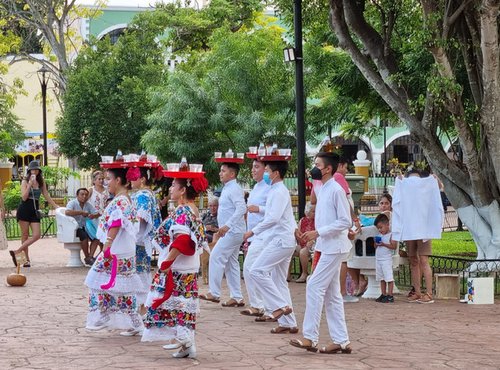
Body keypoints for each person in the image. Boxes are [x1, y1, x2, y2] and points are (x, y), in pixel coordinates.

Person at [142, 170, 208, 359]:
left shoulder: (182, 210)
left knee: (176, 304)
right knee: (183, 304)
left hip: (177, 266)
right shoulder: (193, 209)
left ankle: (184, 339)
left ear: (182, 190)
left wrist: (167, 262)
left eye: (173, 186)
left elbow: (181, 240)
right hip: (188, 265)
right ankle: (187, 345)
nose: (170, 189)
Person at [290, 152, 352, 354]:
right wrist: (313, 234)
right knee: (332, 294)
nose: (314, 168)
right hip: (327, 245)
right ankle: (341, 341)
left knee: (314, 286)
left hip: (334, 247)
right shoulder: (323, 188)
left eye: (317, 164)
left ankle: (310, 337)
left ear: (328, 169)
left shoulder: (336, 190)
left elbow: (345, 221)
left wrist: (318, 232)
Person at [84, 167, 143, 333]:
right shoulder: (124, 199)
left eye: (109, 178)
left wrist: (107, 245)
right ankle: (133, 322)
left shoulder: (120, 201)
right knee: (121, 287)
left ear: (118, 180)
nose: (106, 182)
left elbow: (116, 223)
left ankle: (104, 315)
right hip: (123, 250)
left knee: (97, 280)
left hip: (116, 250)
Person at [244, 160, 298, 334]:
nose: (265, 173)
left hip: (281, 240)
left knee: (257, 270)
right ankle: (289, 323)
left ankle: (280, 306)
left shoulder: (279, 191)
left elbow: (273, 218)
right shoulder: (276, 191)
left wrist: (253, 231)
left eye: (267, 170)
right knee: (278, 280)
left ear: (275, 173)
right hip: (281, 239)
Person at [200, 162, 246, 307]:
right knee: (231, 263)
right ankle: (237, 297)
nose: (220, 173)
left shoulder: (234, 189)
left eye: (223, 171)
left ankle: (214, 292)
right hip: (232, 231)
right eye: (221, 171)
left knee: (216, 256)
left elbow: (241, 208)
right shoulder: (227, 188)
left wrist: (227, 225)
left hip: (233, 231)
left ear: (232, 174)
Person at [126, 166, 162, 329]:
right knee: (141, 275)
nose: (131, 180)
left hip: (138, 241)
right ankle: (140, 316)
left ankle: (140, 317)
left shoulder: (142, 195)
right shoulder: (149, 195)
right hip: (141, 241)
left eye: (133, 177)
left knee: (139, 277)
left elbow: (139, 218)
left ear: (142, 179)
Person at [9, 160, 59, 267]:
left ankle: (17, 251)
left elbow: (46, 195)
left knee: (36, 235)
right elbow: (24, 197)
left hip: (34, 209)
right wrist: (29, 184)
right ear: (29, 170)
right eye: (33, 169)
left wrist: (55, 206)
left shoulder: (41, 181)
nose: (34, 171)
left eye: (36, 169)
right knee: (25, 235)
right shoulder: (24, 181)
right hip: (25, 208)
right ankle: (25, 260)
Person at [240, 159, 270, 317]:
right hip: (253, 235)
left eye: (257, 167)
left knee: (251, 268)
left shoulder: (270, 188)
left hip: (264, 235)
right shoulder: (256, 187)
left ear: (266, 169)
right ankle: (262, 304)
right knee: (254, 269)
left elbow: (274, 211)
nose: (253, 170)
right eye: (252, 167)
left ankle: (260, 304)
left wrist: (258, 208)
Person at [65, 188, 99, 266]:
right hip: (75, 227)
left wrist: (94, 215)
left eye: (86, 195)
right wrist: (81, 212)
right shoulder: (72, 203)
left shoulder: (88, 205)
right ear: (77, 195)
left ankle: (89, 257)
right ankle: (87, 256)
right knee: (84, 236)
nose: (84, 196)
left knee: (97, 237)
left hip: (85, 226)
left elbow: (96, 213)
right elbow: (67, 212)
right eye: (82, 194)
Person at [373, 214, 397, 303]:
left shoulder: (391, 235)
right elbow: (375, 247)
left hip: (386, 259)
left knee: (388, 277)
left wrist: (384, 244)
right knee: (381, 278)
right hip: (378, 259)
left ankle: (390, 295)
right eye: (378, 228)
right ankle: (383, 294)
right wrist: (376, 243)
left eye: (381, 227)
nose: (380, 230)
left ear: (387, 225)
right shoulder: (379, 235)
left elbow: (394, 246)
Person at [87, 170, 109, 257]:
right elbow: (85, 202)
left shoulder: (107, 190)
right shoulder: (91, 190)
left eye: (102, 179)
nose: (101, 181)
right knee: (97, 237)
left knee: (104, 238)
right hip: (93, 218)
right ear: (94, 180)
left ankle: (101, 256)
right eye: (99, 179)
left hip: (104, 216)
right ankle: (91, 256)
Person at [293, 202, 315, 283]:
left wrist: (311, 241)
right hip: (302, 242)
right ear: (308, 212)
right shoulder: (302, 220)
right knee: (290, 250)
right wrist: (299, 237)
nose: (315, 213)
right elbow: (298, 233)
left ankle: (304, 273)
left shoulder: (318, 220)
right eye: (313, 211)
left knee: (303, 252)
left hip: (313, 244)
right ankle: (287, 275)